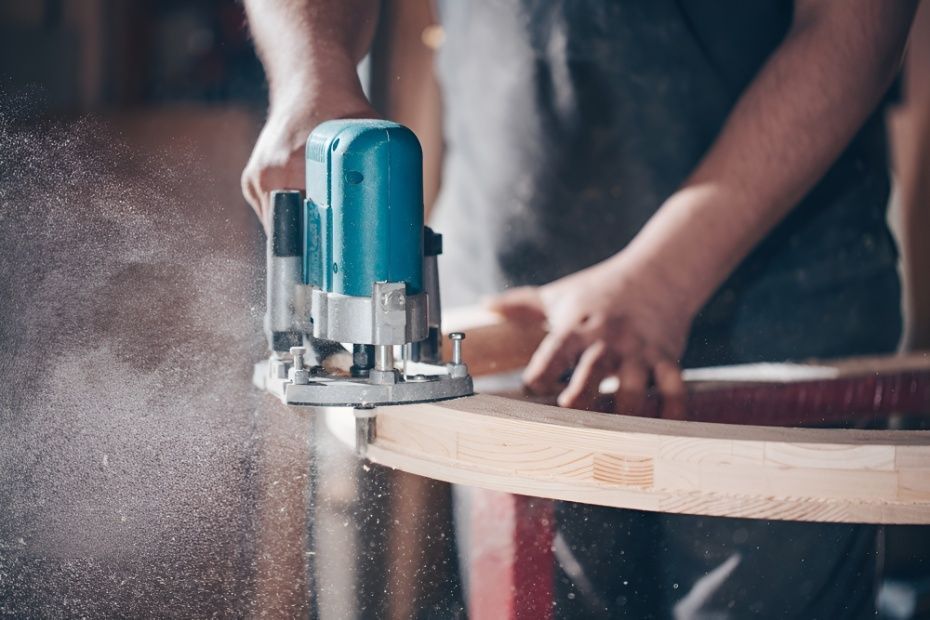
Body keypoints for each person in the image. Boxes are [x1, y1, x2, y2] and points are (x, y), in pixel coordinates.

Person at [241, 1, 918, 617]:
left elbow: (858, 23)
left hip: (783, 283)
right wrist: (313, 74)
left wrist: (664, 278)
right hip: (518, 296)